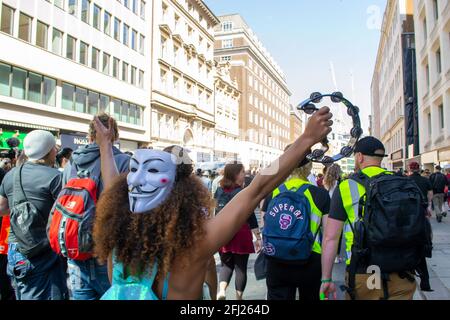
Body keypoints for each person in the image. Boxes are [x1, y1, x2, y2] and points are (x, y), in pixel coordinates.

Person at [90, 107, 332, 300]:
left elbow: (112, 185)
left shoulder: (117, 238)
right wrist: (306, 139)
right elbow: (256, 189)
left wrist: (105, 145)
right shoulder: (195, 245)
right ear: (183, 192)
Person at [320, 137, 425, 300]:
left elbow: (331, 238)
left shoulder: (347, 186)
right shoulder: (403, 182)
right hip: (403, 272)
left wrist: (326, 278)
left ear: (360, 156)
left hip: (367, 273)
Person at [62, 114, 130, 300]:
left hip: (76, 247)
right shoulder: (123, 161)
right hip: (106, 252)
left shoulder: (72, 162)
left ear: (90, 134)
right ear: (114, 134)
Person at [0, 130, 68, 300]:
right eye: (54, 149)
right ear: (48, 150)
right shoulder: (55, 177)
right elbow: (65, 214)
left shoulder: (10, 175)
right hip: (42, 251)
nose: (55, 152)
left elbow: (1, 208)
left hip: (15, 249)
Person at [260, 156, 330, 300]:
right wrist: (327, 276)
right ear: (309, 167)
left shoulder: (273, 193)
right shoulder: (320, 194)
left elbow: (264, 226)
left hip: (277, 257)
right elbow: (329, 236)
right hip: (310, 257)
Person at [215, 162, 262, 300]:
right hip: (240, 232)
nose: (244, 175)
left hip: (223, 232)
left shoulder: (219, 190)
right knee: (240, 268)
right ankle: (238, 298)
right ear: (236, 175)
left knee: (226, 265)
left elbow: (216, 212)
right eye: (242, 172)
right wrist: (258, 237)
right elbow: (250, 215)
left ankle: (222, 291)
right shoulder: (242, 192)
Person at [407, 161, 433, 292]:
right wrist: (428, 206)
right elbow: (429, 193)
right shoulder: (425, 180)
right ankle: (425, 283)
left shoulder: (406, 180)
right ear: (419, 169)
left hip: (410, 215)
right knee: (423, 245)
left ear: (409, 169)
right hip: (421, 214)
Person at [323, 164, 343, 264]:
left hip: (326, 209)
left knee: (328, 235)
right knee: (337, 234)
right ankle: (336, 256)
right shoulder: (338, 183)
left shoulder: (325, 182)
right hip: (335, 208)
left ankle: (327, 254)